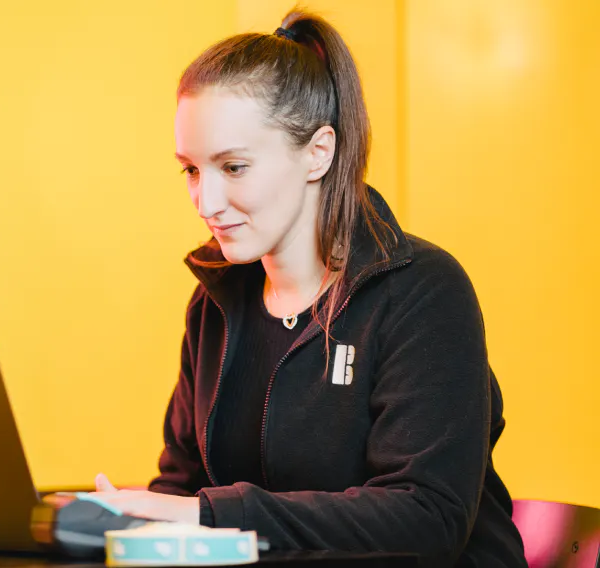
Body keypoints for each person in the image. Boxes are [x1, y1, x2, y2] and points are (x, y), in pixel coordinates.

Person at [88, 8, 528, 567]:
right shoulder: (215, 302)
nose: (206, 202)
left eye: (234, 167)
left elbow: (427, 518)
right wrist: (124, 523)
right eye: (192, 170)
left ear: (319, 152)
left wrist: (210, 515)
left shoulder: (422, 293)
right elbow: (181, 489)